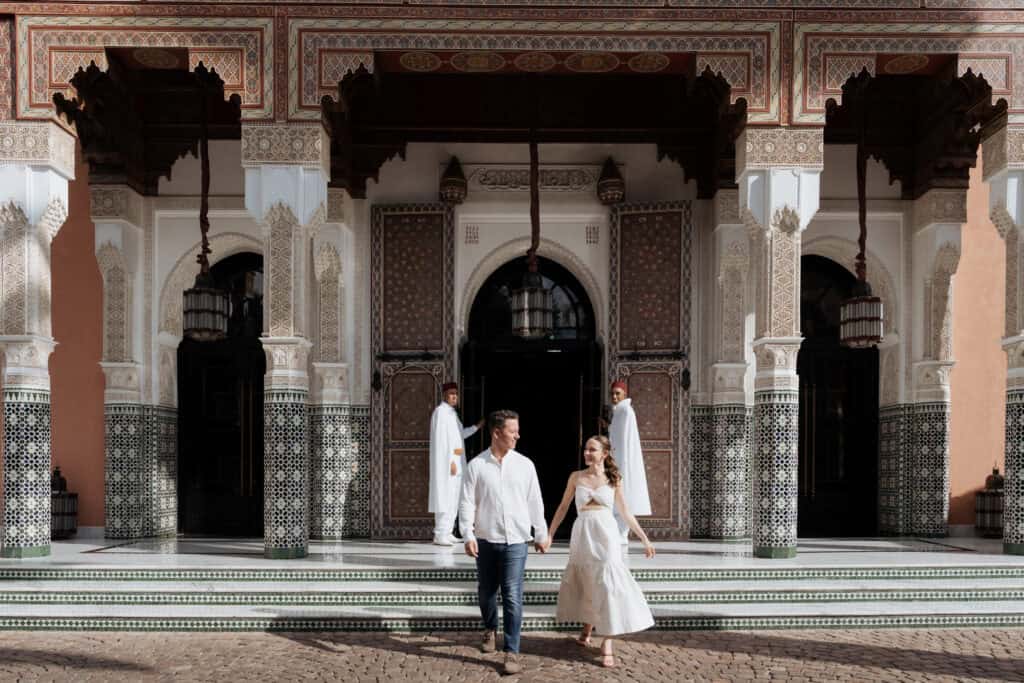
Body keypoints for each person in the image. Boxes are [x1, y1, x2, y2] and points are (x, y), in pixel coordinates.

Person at [540, 435, 655, 668]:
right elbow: (563, 507)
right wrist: (550, 534)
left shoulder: (614, 479)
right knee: (588, 581)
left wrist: (644, 538)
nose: (587, 453)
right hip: (583, 533)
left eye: (592, 450)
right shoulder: (576, 477)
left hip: (606, 535)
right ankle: (586, 629)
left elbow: (625, 512)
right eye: (586, 449)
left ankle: (607, 643)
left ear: (604, 453)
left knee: (608, 584)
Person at [460, 409, 548, 676]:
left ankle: (512, 651)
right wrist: (468, 534)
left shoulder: (525, 465)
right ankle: (489, 628)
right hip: (487, 539)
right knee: (486, 592)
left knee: (512, 594)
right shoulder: (476, 465)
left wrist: (541, 532)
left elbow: (535, 501)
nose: (517, 435)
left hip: (517, 541)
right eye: (513, 431)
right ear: (497, 433)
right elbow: (466, 502)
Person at [428, 382, 483, 547]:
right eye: (451, 394)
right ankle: (440, 533)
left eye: (456, 394)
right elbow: (442, 442)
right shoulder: (441, 413)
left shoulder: (452, 414)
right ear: (444, 395)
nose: (454, 397)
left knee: (454, 498)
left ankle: (448, 531)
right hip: (448, 465)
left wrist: (476, 427)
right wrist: (451, 461)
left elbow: (459, 438)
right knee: (445, 496)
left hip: (457, 463)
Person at [607, 380, 651, 543]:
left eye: (618, 393)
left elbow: (624, 441)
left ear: (625, 394)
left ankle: (622, 533)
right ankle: (619, 533)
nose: (615, 396)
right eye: (612, 393)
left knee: (623, 497)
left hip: (622, 461)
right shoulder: (619, 411)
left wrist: (620, 462)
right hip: (618, 460)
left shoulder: (625, 411)